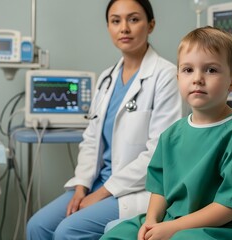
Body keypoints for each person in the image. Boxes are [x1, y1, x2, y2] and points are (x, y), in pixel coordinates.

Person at [101, 26, 232, 240]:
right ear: (178, 78)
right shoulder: (172, 135)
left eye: (211, 70)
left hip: (224, 228)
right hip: (174, 218)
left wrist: (174, 229)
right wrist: (151, 222)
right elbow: (160, 188)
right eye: (188, 70)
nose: (197, 78)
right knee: (119, 234)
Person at [26, 0, 182, 239]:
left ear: (150, 25)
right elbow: (90, 140)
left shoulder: (166, 76)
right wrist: (81, 187)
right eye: (115, 21)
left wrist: (100, 194)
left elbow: (158, 153)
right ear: (108, 27)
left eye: (133, 19)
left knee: (68, 231)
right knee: (38, 226)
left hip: (134, 189)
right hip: (97, 182)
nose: (124, 28)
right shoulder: (107, 78)